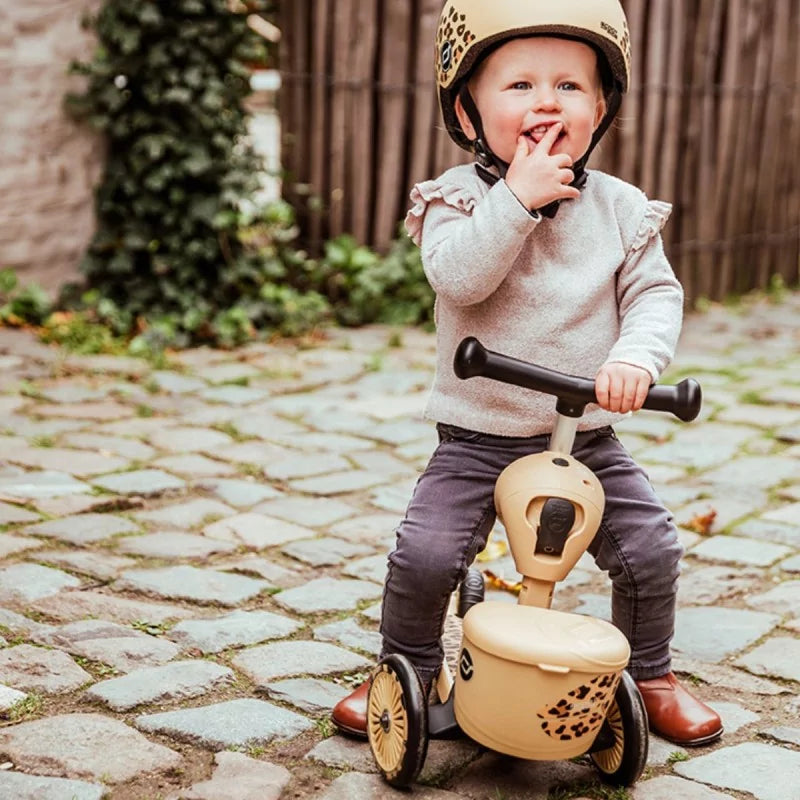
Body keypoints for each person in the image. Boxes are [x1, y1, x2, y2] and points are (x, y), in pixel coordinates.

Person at [332, 0, 722, 748]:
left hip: (588, 436)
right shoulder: (458, 201)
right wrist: (516, 201)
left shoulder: (620, 208)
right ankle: (404, 667)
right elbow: (459, 279)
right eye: (519, 86)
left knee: (649, 546)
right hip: (479, 432)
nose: (547, 101)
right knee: (427, 552)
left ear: (601, 108)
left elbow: (654, 295)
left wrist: (635, 359)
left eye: (570, 87)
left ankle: (650, 674)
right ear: (469, 113)